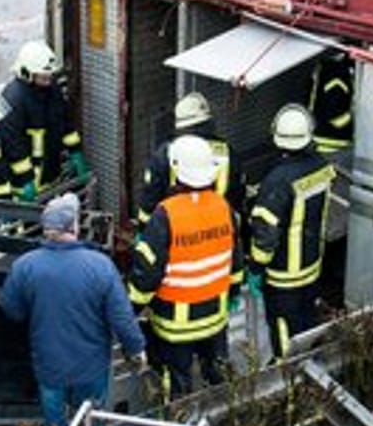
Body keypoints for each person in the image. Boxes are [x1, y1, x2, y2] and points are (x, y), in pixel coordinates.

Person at [0, 193, 147, 426]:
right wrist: (136, 348)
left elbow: (12, 311)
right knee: (92, 425)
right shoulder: (100, 266)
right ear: (74, 227)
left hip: (49, 366)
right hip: (91, 368)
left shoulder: (25, 266)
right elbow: (121, 318)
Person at [129, 135, 239, 398]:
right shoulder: (223, 207)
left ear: (176, 171)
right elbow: (236, 259)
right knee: (218, 378)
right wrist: (233, 293)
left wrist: (130, 308)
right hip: (215, 316)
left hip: (175, 324)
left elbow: (147, 273)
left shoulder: (165, 213)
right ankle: (226, 424)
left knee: (178, 385)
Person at [248, 104, 335, 359]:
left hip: (283, 274)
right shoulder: (322, 166)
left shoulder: (278, 181)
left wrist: (255, 268)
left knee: (284, 331)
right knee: (307, 323)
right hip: (311, 265)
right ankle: (312, 372)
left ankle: (289, 383)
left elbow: (265, 234)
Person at [137, 92, 245, 225]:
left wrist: (146, 233)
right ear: (208, 122)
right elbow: (237, 197)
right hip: (218, 232)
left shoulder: (165, 154)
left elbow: (149, 204)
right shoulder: (229, 152)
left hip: (180, 232)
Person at [0, 40, 87, 201]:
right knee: (25, 221)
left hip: (50, 171)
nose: (48, 81)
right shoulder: (13, 99)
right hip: (24, 181)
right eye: (43, 77)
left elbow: (65, 122)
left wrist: (76, 152)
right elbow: (12, 143)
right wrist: (26, 179)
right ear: (26, 73)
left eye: (50, 76)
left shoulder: (52, 91)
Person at [308, 52, 354, 154]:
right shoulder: (331, 73)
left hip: (329, 140)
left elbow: (333, 108)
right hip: (327, 137)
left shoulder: (334, 76)